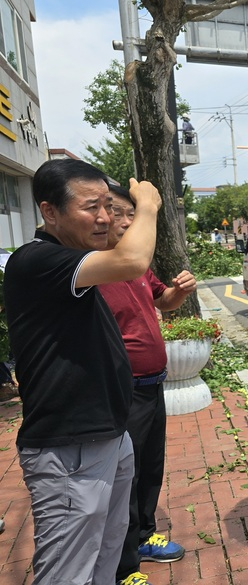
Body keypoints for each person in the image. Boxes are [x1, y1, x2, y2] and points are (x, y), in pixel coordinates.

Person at [3, 159, 162, 585]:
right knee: (68, 573)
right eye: (92, 207)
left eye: (110, 206)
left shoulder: (79, 260)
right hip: (68, 448)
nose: (106, 217)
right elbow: (132, 260)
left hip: (109, 434)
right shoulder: (37, 261)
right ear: (49, 212)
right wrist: (146, 205)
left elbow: (125, 257)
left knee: (105, 560)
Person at [99, 185, 194, 585]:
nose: (126, 221)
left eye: (130, 213)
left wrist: (178, 291)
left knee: (150, 467)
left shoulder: (135, 267)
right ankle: (124, 566)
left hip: (153, 384)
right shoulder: (101, 266)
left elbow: (163, 301)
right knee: (126, 476)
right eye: (120, 213)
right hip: (125, 389)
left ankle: (143, 536)